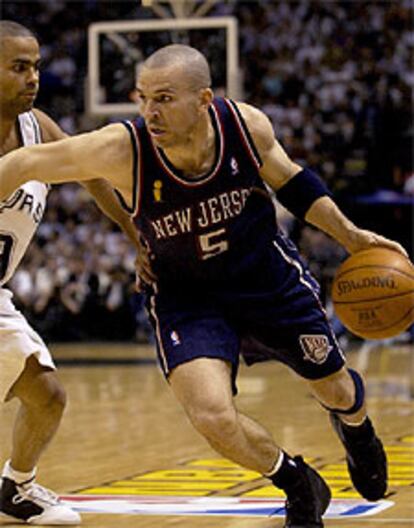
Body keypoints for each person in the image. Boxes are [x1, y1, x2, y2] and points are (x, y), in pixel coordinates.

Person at [0, 44, 407, 528]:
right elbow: (23, 165)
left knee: (339, 391)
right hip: (185, 296)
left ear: (204, 99)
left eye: (165, 98)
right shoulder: (121, 148)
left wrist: (352, 237)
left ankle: (357, 430)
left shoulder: (245, 126)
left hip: (265, 279)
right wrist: (136, 240)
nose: (151, 111)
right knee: (212, 415)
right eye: (144, 98)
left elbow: (295, 185)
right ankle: (295, 479)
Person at [0, 21, 140, 525]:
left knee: (48, 398)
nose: (33, 77)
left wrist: (133, 232)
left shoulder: (39, 129)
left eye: (35, 66)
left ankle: (16, 487)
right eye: (19, 67)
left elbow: (92, 173)